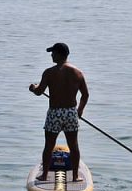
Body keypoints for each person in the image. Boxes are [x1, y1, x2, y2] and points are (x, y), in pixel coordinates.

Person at [29, 42, 89, 182]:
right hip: (70, 113)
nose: (51, 55)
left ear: (61, 54)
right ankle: (75, 176)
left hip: (55, 113)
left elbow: (39, 92)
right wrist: (79, 110)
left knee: (49, 145)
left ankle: (44, 176)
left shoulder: (49, 72)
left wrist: (33, 88)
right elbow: (85, 95)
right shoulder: (77, 73)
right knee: (73, 145)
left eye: (53, 53)